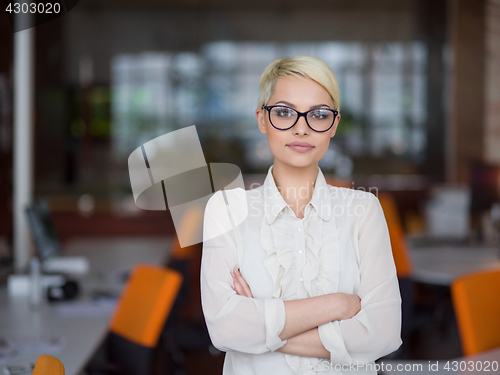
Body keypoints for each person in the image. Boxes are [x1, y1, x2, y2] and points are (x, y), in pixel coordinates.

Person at [200, 56, 402, 374]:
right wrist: (337, 305)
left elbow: (385, 333)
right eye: (283, 112)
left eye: (318, 115)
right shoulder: (225, 210)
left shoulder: (364, 210)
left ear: (334, 124)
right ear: (262, 120)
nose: (301, 128)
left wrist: (258, 326)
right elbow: (224, 330)